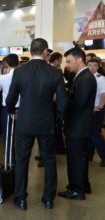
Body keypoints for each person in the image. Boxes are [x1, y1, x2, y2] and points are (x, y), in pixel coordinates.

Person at [6, 38, 68, 210]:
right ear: (45, 51)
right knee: (49, 160)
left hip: (25, 122)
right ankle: (48, 199)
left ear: (30, 51)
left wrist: (12, 110)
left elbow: (10, 98)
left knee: (22, 161)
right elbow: (63, 101)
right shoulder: (55, 72)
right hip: (46, 123)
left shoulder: (19, 72)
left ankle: (21, 199)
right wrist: (57, 119)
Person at [58, 47, 97, 200]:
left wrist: (63, 98)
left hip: (78, 125)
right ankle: (83, 184)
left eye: (69, 61)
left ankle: (76, 189)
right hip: (79, 125)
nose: (67, 64)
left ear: (79, 60)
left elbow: (78, 104)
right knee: (80, 157)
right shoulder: (81, 76)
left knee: (76, 158)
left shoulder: (85, 78)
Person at [0, 54, 19, 165]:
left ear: (6, 64)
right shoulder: (22, 76)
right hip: (22, 109)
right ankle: (21, 162)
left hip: (8, 109)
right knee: (22, 137)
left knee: (8, 137)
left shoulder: (3, 77)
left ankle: (11, 163)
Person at [87, 59, 105, 166]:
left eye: (95, 66)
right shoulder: (87, 77)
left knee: (95, 134)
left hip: (96, 110)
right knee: (90, 133)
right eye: (90, 65)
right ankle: (89, 154)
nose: (92, 67)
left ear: (98, 67)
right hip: (89, 110)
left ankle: (104, 156)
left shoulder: (101, 78)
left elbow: (104, 94)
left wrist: (100, 106)